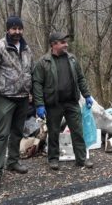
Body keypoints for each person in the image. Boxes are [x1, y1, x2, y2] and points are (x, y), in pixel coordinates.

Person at [0, 16, 33, 190]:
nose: (17, 32)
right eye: (13, 29)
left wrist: (31, 93)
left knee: (18, 132)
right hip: (4, 97)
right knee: (1, 135)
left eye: (20, 28)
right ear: (7, 30)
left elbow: (29, 71)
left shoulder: (26, 48)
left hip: (23, 98)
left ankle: (13, 161)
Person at [32, 32, 94, 171]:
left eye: (66, 42)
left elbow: (81, 78)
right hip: (54, 104)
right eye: (62, 42)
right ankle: (53, 159)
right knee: (53, 132)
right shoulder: (43, 63)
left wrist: (87, 95)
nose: (66, 44)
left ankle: (82, 159)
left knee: (77, 131)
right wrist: (40, 105)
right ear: (54, 44)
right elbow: (37, 84)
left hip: (72, 102)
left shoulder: (72, 59)